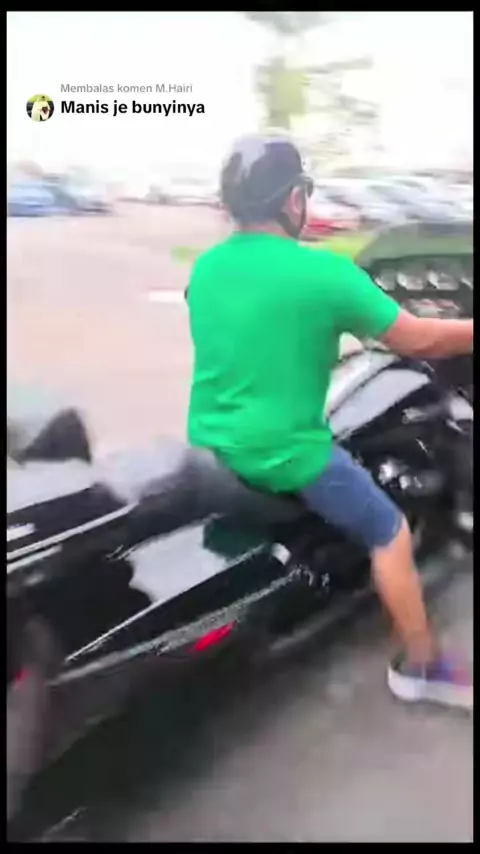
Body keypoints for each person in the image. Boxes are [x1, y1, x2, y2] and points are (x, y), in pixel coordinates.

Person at [186, 135, 473, 710]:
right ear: (292, 200)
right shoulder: (322, 274)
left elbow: (243, 329)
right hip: (283, 452)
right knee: (389, 531)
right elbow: (417, 338)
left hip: (212, 440)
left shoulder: (208, 266)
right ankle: (423, 668)